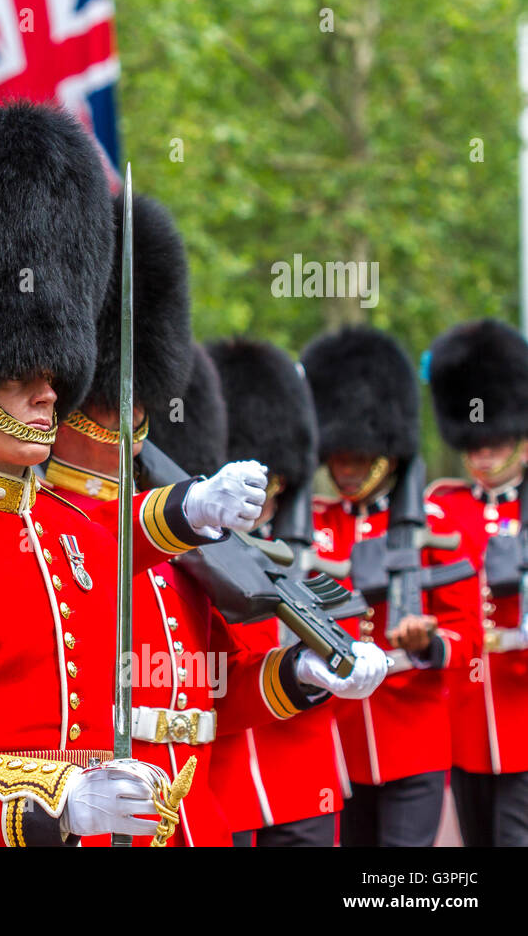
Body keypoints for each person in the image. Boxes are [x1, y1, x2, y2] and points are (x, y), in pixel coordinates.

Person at [0, 102, 266, 846]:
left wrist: (194, 507)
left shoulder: (71, 527)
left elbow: (126, 537)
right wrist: (52, 796)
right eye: (16, 378)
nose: (49, 395)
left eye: (51, 374)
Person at [43, 196, 386, 846]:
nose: (127, 409)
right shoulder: (49, 527)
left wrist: (303, 672)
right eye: (112, 395)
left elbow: (214, 697)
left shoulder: (176, 541)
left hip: (194, 820)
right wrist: (185, 512)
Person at [302, 325, 481, 847]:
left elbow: (466, 630)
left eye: (357, 457)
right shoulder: (314, 523)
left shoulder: (432, 523)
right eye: (336, 457)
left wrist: (429, 643)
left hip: (413, 741)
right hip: (339, 743)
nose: (345, 470)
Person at [208, 336, 360, 846]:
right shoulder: (186, 544)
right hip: (224, 779)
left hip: (303, 770)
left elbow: (344, 630)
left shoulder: (312, 536)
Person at [425, 319, 528, 846]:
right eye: (475, 441)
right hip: (464, 725)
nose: (484, 451)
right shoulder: (442, 507)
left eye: (497, 440)